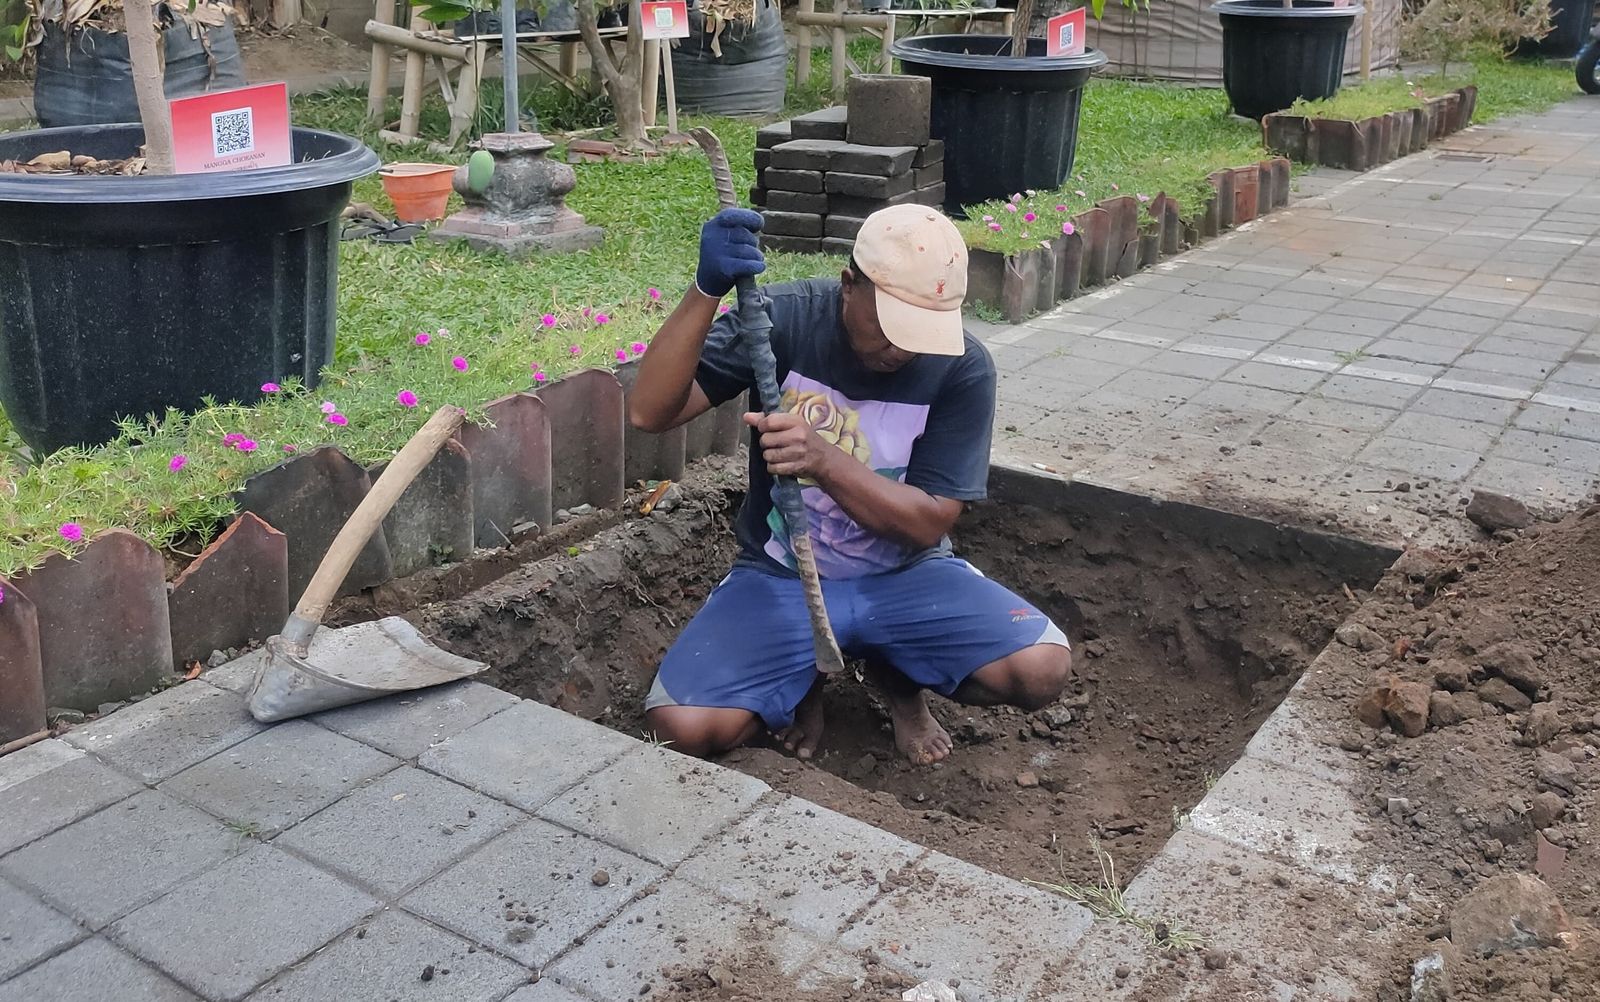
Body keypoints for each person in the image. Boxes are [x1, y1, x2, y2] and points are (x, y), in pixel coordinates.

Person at [627, 204, 1072, 764]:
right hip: (784, 574)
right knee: (681, 727)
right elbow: (649, 412)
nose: (901, 349)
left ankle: (899, 683)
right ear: (848, 285)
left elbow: (929, 522)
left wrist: (823, 460)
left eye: (921, 333)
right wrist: (704, 290)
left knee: (1041, 668)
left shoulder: (962, 367)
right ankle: (802, 684)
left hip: (907, 575)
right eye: (891, 327)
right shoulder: (783, 320)